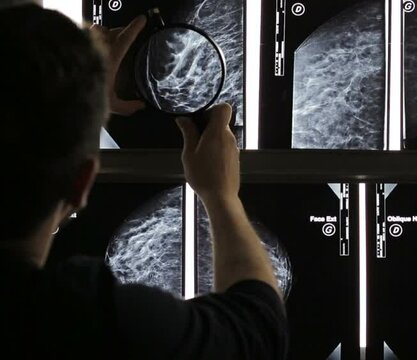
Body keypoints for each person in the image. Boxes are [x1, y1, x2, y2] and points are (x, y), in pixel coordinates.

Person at [0, 3, 288, 359]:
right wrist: (221, 195)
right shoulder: (80, 319)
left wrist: (78, 93)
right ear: (82, 183)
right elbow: (256, 334)